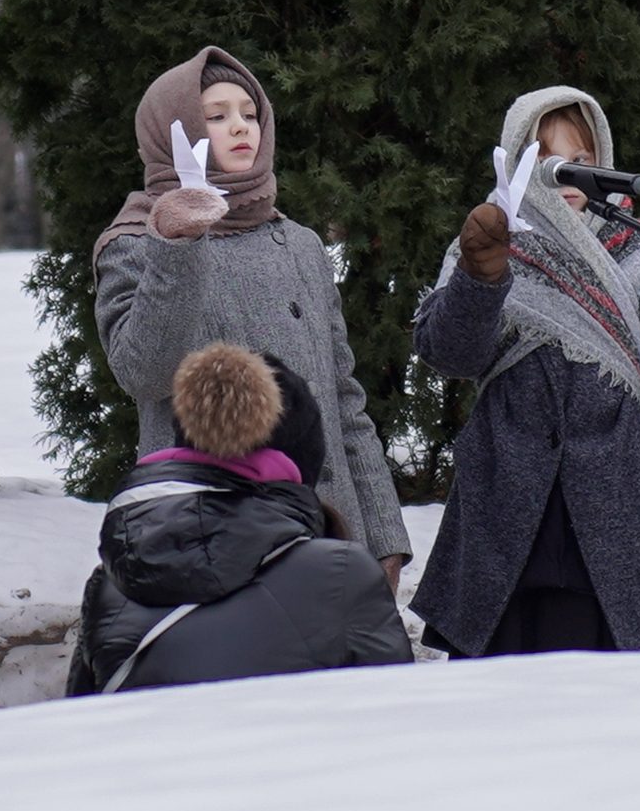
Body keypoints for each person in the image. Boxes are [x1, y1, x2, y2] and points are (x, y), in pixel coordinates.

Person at [410, 87, 640, 656]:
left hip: (614, 530)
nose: (566, 175)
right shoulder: (487, 239)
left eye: (581, 159)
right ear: (516, 161)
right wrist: (481, 277)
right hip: (504, 525)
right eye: (548, 159)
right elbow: (448, 353)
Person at [93, 47, 412, 586]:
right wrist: (178, 242)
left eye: (249, 112)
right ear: (172, 131)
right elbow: (143, 373)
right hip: (209, 539)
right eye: (215, 116)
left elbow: (342, 397)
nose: (240, 127)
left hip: (325, 530)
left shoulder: (300, 243)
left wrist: (381, 536)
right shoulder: (134, 243)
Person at [69, 343, 412, 693]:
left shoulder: (112, 583)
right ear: (301, 465)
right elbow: (395, 720)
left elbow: (83, 728)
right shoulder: (343, 572)